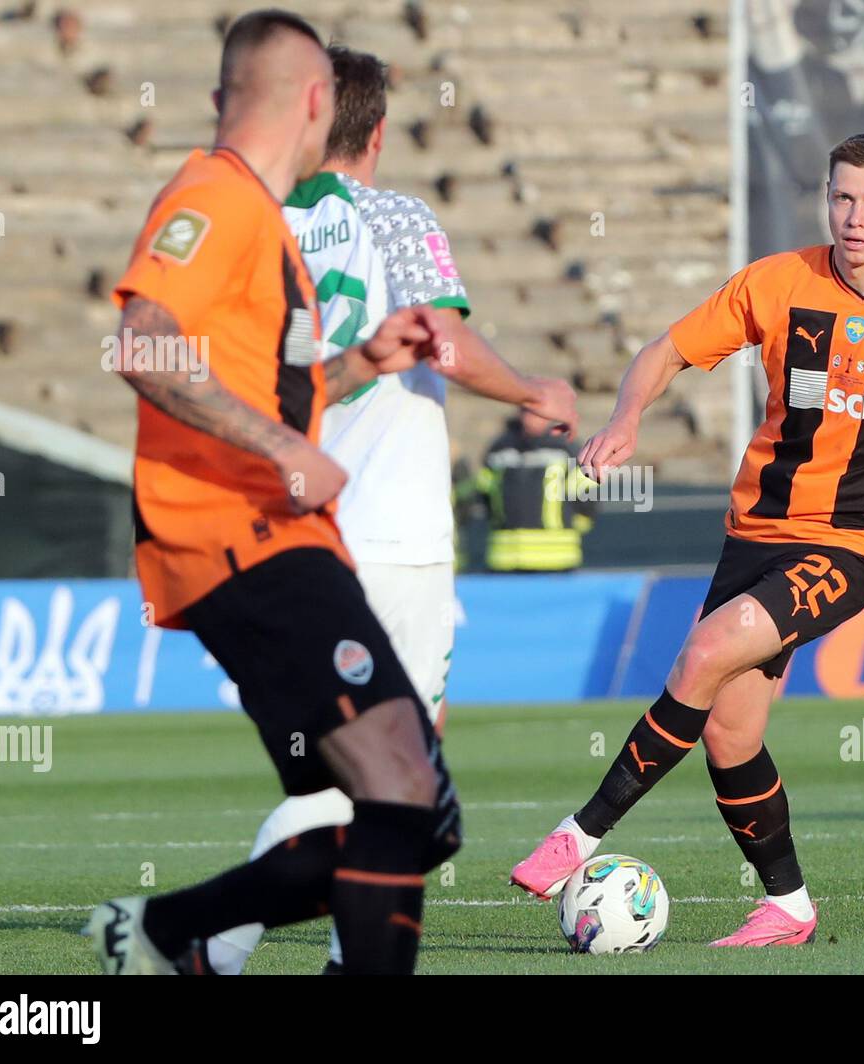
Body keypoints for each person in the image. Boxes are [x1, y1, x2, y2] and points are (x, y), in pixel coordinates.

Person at [510, 132, 864, 946]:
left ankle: (578, 835)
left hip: (852, 545)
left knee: (701, 654)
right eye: (841, 198)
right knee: (729, 735)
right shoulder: (777, 282)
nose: (855, 217)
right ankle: (789, 906)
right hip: (753, 534)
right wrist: (628, 416)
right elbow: (665, 351)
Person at [83, 10, 459, 977]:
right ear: (315, 103)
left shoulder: (268, 225)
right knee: (400, 790)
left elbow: (266, 384)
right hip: (245, 537)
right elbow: (142, 342)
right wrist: (283, 447)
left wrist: (360, 361)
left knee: (414, 804)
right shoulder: (218, 196)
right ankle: (174, 935)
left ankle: (167, 935)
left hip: (282, 537)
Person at [200, 44, 577, 976]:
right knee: (378, 774)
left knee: (371, 767)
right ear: (375, 131)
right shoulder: (394, 215)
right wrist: (531, 387)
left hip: (293, 533)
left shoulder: (260, 228)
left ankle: (333, 956)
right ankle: (211, 939)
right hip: (392, 537)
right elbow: (439, 341)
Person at [476, 411, 595, 572]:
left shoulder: (565, 448)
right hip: (505, 559)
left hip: (557, 559)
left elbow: (585, 494)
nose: (530, 419)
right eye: (527, 412)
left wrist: (573, 526)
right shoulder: (500, 448)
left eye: (537, 413)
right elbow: (485, 492)